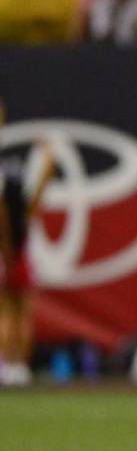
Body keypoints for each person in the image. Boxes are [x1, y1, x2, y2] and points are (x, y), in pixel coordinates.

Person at [0, 131, 55, 387]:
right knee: (22, 319)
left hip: (5, 264)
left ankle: (7, 365)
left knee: (7, 317)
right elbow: (44, 181)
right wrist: (48, 154)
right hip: (21, 263)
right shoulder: (25, 209)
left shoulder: (3, 210)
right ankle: (18, 367)